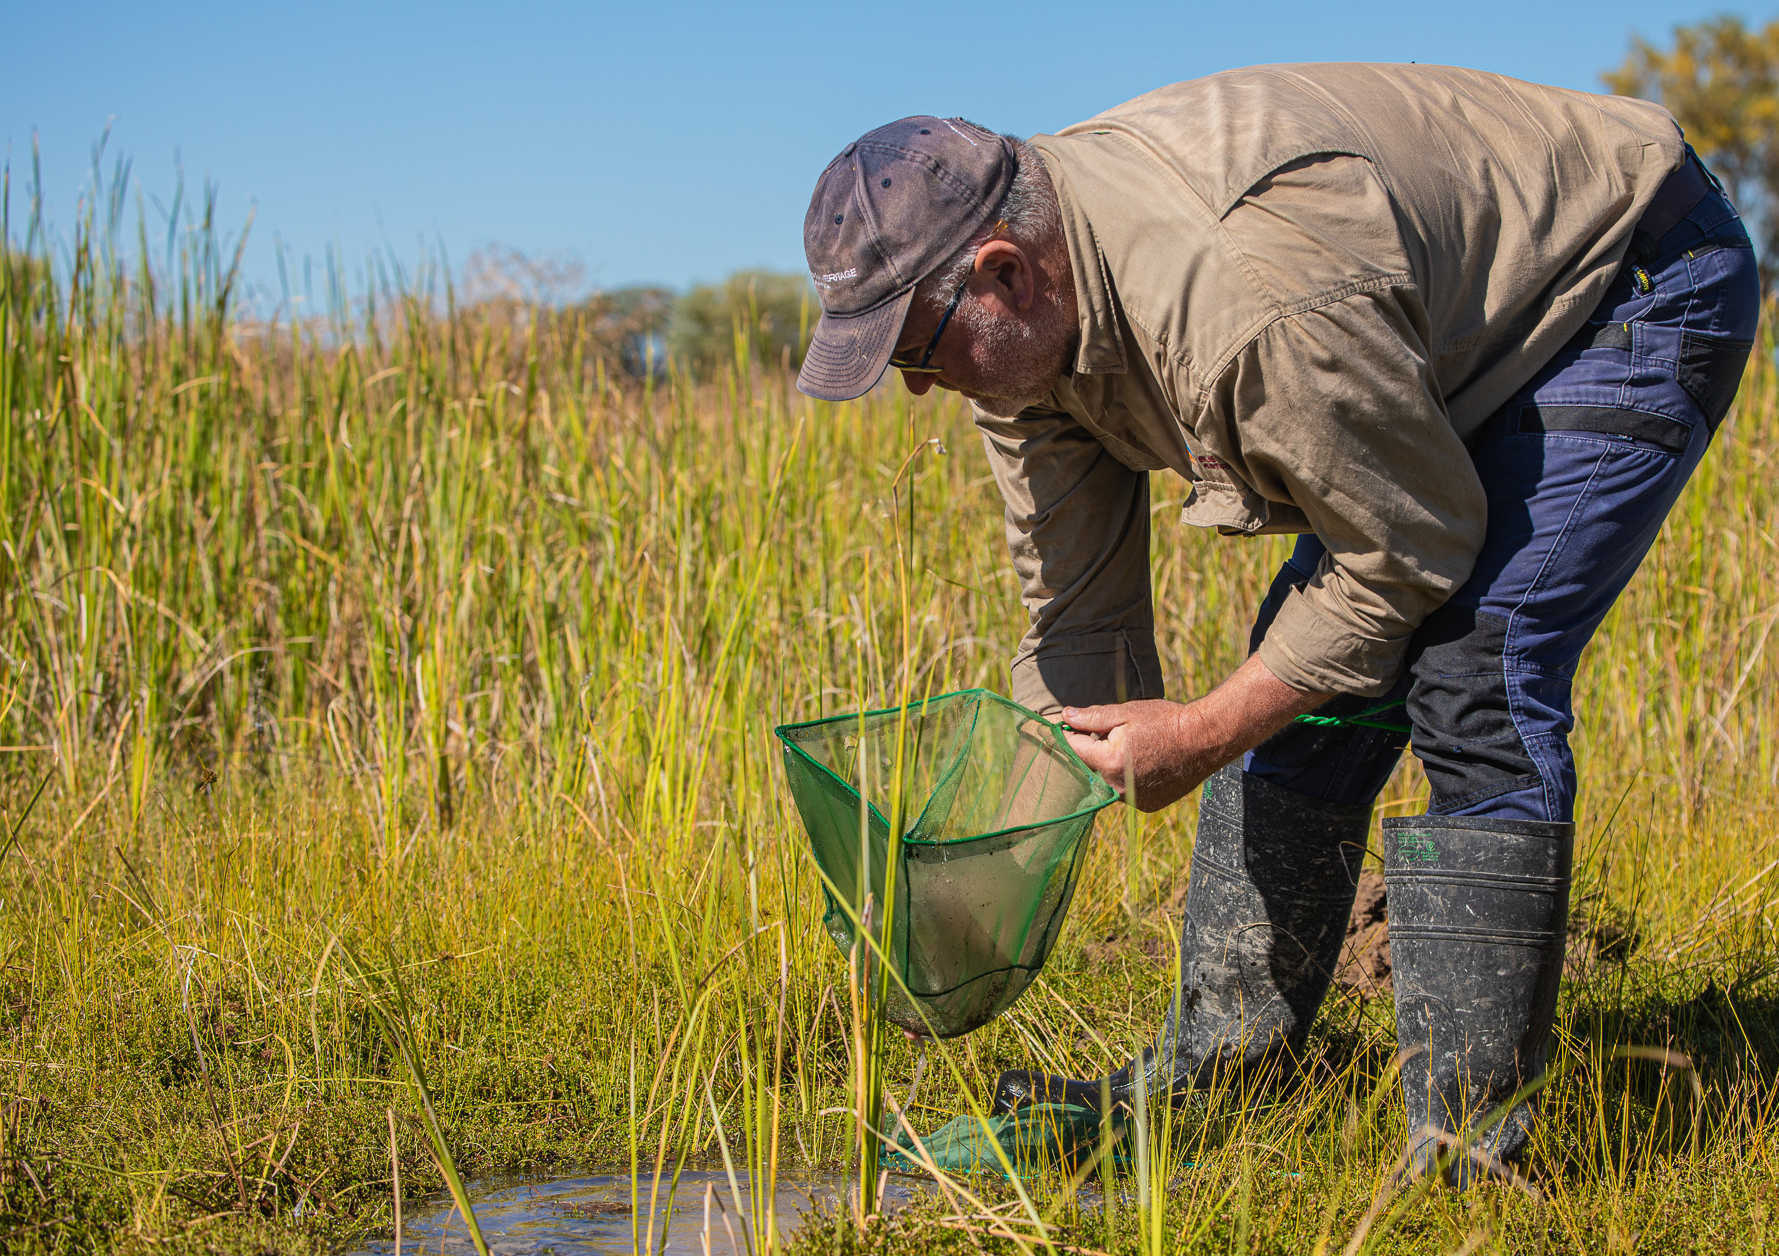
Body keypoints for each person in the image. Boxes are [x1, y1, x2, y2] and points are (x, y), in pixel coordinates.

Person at [793, 63, 1761, 1184]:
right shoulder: (1021, 345)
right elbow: (1080, 619)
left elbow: (1407, 553)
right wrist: (984, 875)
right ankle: (1230, 1067)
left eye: (916, 348)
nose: (919, 388)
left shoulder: (1245, 306)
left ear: (1000, 273)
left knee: (1470, 670)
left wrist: (1203, 729)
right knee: (1299, 685)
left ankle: (1469, 1156)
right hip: (1411, 327)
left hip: (1624, 277)